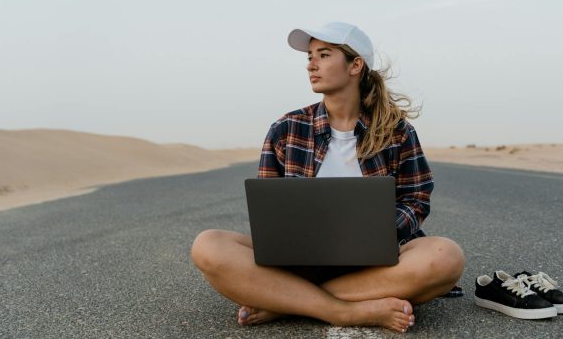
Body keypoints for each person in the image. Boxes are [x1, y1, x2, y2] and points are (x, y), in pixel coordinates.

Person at [190, 22, 465, 333]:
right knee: (208, 246)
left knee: (446, 257)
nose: (311, 64)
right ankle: (344, 311)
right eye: (309, 56)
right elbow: (269, 213)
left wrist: (374, 233)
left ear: (355, 65)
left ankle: (283, 301)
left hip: (374, 265)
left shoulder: (396, 131)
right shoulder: (286, 129)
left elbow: (416, 198)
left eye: (323, 54)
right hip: (298, 263)